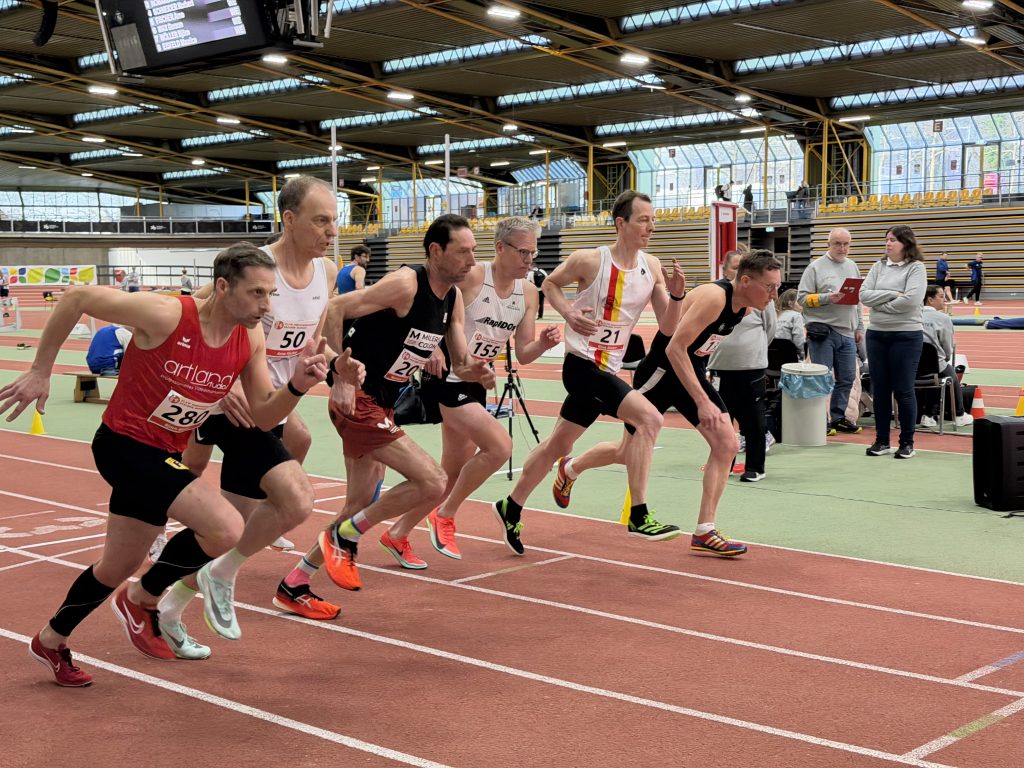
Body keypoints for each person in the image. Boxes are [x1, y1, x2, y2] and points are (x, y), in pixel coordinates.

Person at [0, 242, 358, 687]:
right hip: (123, 444)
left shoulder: (249, 337)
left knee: (114, 566)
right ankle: (145, 599)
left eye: (271, 295)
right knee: (225, 527)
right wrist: (41, 369)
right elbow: (76, 298)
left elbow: (262, 417)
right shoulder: (167, 315)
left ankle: (51, 640)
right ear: (223, 287)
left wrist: (299, 386)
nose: (266, 306)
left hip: (164, 450)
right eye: (257, 294)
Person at [157, 176, 351, 650]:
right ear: (289, 220)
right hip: (233, 406)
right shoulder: (257, 269)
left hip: (273, 404)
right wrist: (218, 389)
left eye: (335, 221)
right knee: (293, 500)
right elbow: (191, 318)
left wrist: (336, 365)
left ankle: (161, 601)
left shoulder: (326, 272)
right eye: (321, 220)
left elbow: (306, 341)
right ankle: (215, 575)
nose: (331, 231)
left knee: (229, 528)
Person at [281, 213, 493, 595]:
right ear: (435, 251)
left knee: (361, 502)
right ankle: (344, 537)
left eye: (474, 252)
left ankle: (295, 582)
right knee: (433, 481)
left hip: (384, 403)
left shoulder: (454, 297)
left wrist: (477, 371)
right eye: (463, 252)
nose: (472, 261)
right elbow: (333, 309)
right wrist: (338, 376)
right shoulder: (407, 283)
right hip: (357, 397)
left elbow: (461, 361)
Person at [494, 190, 686, 555]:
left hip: (608, 368)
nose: (651, 226)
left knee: (557, 445)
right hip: (582, 365)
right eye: (643, 219)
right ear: (621, 223)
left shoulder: (653, 266)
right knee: (649, 419)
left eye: (653, 219)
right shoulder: (590, 260)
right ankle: (639, 514)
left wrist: (676, 296)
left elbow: (667, 325)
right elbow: (549, 283)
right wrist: (568, 313)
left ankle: (511, 506)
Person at [555, 250, 783, 557]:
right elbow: (676, 348)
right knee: (627, 452)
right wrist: (703, 401)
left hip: (690, 373)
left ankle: (705, 530)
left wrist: (702, 391)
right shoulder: (715, 297)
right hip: (661, 374)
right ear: (745, 281)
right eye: (770, 287)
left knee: (727, 445)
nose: (774, 294)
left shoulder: (744, 310)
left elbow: (697, 352)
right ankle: (571, 468)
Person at [422, 217, 561, 560]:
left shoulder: (528, 292)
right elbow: (429, 302)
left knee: (452, 471)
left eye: (534, 253)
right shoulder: (472, 277)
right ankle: (446, 515)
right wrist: (432, 348)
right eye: (524, 252)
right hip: (447, 377)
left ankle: (398, 533)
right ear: (500, 248)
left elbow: (525, 353)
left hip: (476, 383)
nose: (530, 260)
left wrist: (542, 343)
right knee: (500, 447)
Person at [860, 224, 928, 459]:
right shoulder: (878, 266)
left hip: (906, 335)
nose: (888, 244)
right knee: (880, 390)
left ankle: (907, 442)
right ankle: (881, 441)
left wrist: (880, 305)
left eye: (893, 240)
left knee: (904, 390)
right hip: (877, 334)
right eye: (887, 239)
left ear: (906, 244)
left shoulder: (916, 268)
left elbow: (911, 300)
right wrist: (893, 295)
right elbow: (863, 294)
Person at [708, 255, 777, 483]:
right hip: (721, 368)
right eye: (736, 268)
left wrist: (752, 352)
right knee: (722, 422)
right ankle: (723, 463)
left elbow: (770, 329)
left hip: (751, 367)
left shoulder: (761, 299)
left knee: (754, 421)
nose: (741, 273)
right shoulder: (716, 295)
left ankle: (755, 467)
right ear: (726, 270)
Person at [797, 227, 865, 435]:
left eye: (846, 244)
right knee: (822, 377)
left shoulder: (852, 266)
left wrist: (860, 326)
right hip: (823, 331)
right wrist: (827, 298)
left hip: (847, 332)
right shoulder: (815, 268)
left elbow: (858, 301)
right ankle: (819, 419)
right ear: (829, 244)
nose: (842, 248)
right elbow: (802, 299)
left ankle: (838, 418)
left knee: (846, 378)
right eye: (837, 243)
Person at [920, 285, 973, 429]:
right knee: (947, 373)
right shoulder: (943, 318)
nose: (945, 300)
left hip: (908, 366)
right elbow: (947, 347)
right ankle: (960, 414)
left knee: (934, 373)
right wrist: (945, 357)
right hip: (934, 364)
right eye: (941, 296)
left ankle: (928, 415)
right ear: (930, 299)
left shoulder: (910, 315)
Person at [774, 289, 805, 355]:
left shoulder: (772, 314)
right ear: (790, 303)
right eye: (800, 301)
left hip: (769, 356)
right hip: (789, 356)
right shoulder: (796, 316)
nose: (803, 304)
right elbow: (799, 342)